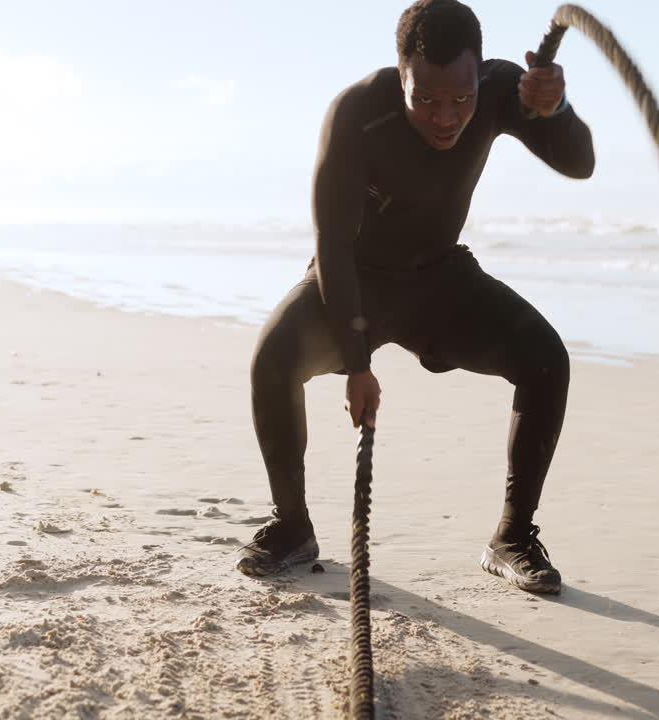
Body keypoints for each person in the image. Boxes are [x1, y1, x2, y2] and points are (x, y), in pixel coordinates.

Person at [238, 0, 594, 594]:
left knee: (545, 359)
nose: (445, 116)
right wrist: (357, 364)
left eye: (461, 98)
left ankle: (512, 536)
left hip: (440, 279)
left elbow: (580, 163)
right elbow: (332, 242)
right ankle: (292, 527)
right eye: (424, 98)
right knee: (272, 360)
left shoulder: (507, 87)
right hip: (354, 278)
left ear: (479, 74)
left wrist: (553, 110)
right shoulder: (357, 113)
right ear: (400, 73)